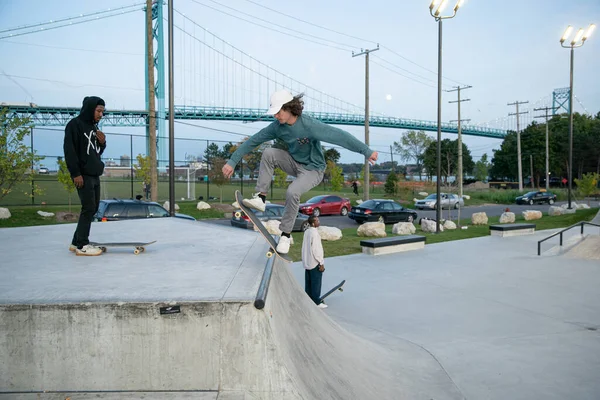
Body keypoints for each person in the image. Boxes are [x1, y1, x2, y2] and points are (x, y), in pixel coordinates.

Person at [222, 90, 378, 254]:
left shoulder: (309, 125)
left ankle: (285, 235)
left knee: (292, 191)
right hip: (294, 163)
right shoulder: (277, 127)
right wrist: (232, 161)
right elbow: (254, 141)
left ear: (289, 108)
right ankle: (261, 197)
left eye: (278, 112)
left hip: (313, 170)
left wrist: (366, 151)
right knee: (268, 153)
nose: (276, 116)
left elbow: (339, 136)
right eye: (274, 113)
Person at [64, 96, 107, 256]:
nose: (101, 115)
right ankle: (82, 245)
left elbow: (95, 152)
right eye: (98, 111)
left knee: (93, 208)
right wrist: (75, 173)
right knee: (88, 207)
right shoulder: (74, 125)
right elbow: (70, 151)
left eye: (102, 111)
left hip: (94, 173)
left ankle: (76, 242)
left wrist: (102, 143)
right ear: (90, 109)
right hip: (82, 174)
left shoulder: (94, 128)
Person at [302, 215, 327, 308]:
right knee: (316, 282)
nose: (319, 222)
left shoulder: (307, 232)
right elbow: (316, 250)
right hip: (314, 262)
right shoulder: (314, 233)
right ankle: (317, 302)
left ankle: (308, 300)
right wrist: (321, 262)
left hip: (307, 262)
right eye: (317, 220)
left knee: (308, 283)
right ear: (313, 223)